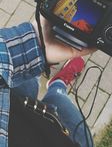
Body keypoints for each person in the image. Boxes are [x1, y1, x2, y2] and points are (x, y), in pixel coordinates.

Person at [0, 16, 95, 147]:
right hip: (62, 137)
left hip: (11, 98)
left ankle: (41, 65)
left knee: (28, 81)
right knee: (60, 101)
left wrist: (35, 45)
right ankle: (58, 83)